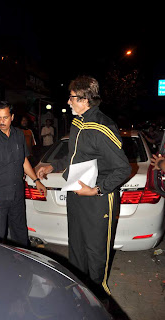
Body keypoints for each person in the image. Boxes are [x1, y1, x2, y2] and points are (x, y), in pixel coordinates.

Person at [37, 76, 131, 301]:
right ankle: (79, 293)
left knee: (96, 252)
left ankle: (99, 300)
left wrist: (96, 190)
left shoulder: (103, 127)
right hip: (76, 195)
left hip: (98, 200)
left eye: (72, 98)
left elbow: (122, 169)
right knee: (77, 248)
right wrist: (53, 165)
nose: (68, 102)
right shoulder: (78, 123)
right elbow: (75, 158)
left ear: (86, 99)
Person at [0, 101, 46, 247]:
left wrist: (36, 180)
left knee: (20, 235)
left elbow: (23, 161)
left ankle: (21, 265)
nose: (1, 122)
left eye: (5, 118)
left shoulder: (19, 135)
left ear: (12, 117)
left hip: (16, 196)